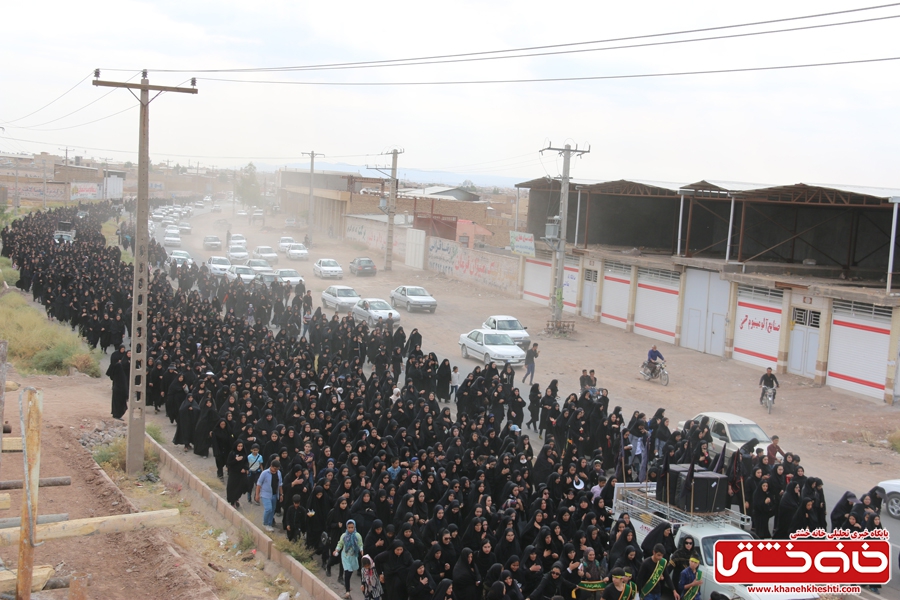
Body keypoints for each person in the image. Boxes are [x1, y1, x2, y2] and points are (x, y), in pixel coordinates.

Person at [333, 520, 364, 599]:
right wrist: (336, 550)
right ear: (346, 527)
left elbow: (360, 544)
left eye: (352, 527)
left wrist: (361, 551)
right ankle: (347, 591)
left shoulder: (357, 536)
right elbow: (340, 544)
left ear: (354, 527)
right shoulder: (344, 536)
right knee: (347, 572)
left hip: (353, 556)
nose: (350, 529)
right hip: (345, 556)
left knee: (350, 572)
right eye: (349, 527)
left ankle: (347, 586)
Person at [255, 459, 283, 532]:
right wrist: (257, 495)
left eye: (277, 469)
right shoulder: (265, 473)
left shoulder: (278, 473)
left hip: (274, 494)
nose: (275, 470)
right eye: (274, 468)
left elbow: (280, 484)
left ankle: (269, 524)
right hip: (265, 494)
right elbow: (259, 484)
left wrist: (281, 494)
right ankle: (265, 523)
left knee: (272, 510)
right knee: (268, 509)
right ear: (271, 466)